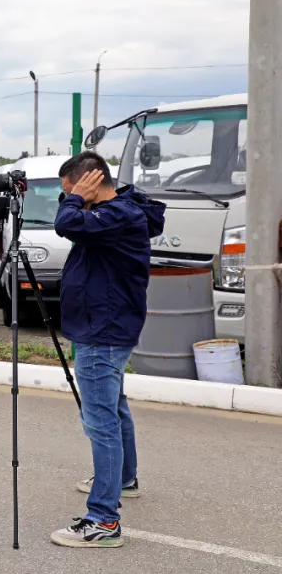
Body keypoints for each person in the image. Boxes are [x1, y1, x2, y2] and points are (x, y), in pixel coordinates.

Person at [48, 151, 165, 548]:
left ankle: (104, 520)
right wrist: (80, 197)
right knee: (114, 408)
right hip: (105, 325)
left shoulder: (118, 216)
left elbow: (66, 223)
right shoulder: (116, 213)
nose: (70, 197)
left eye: (74, 188)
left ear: (91, 182)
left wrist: (75, 199)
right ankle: (125, 478)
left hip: (104, 330)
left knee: (101, 421)